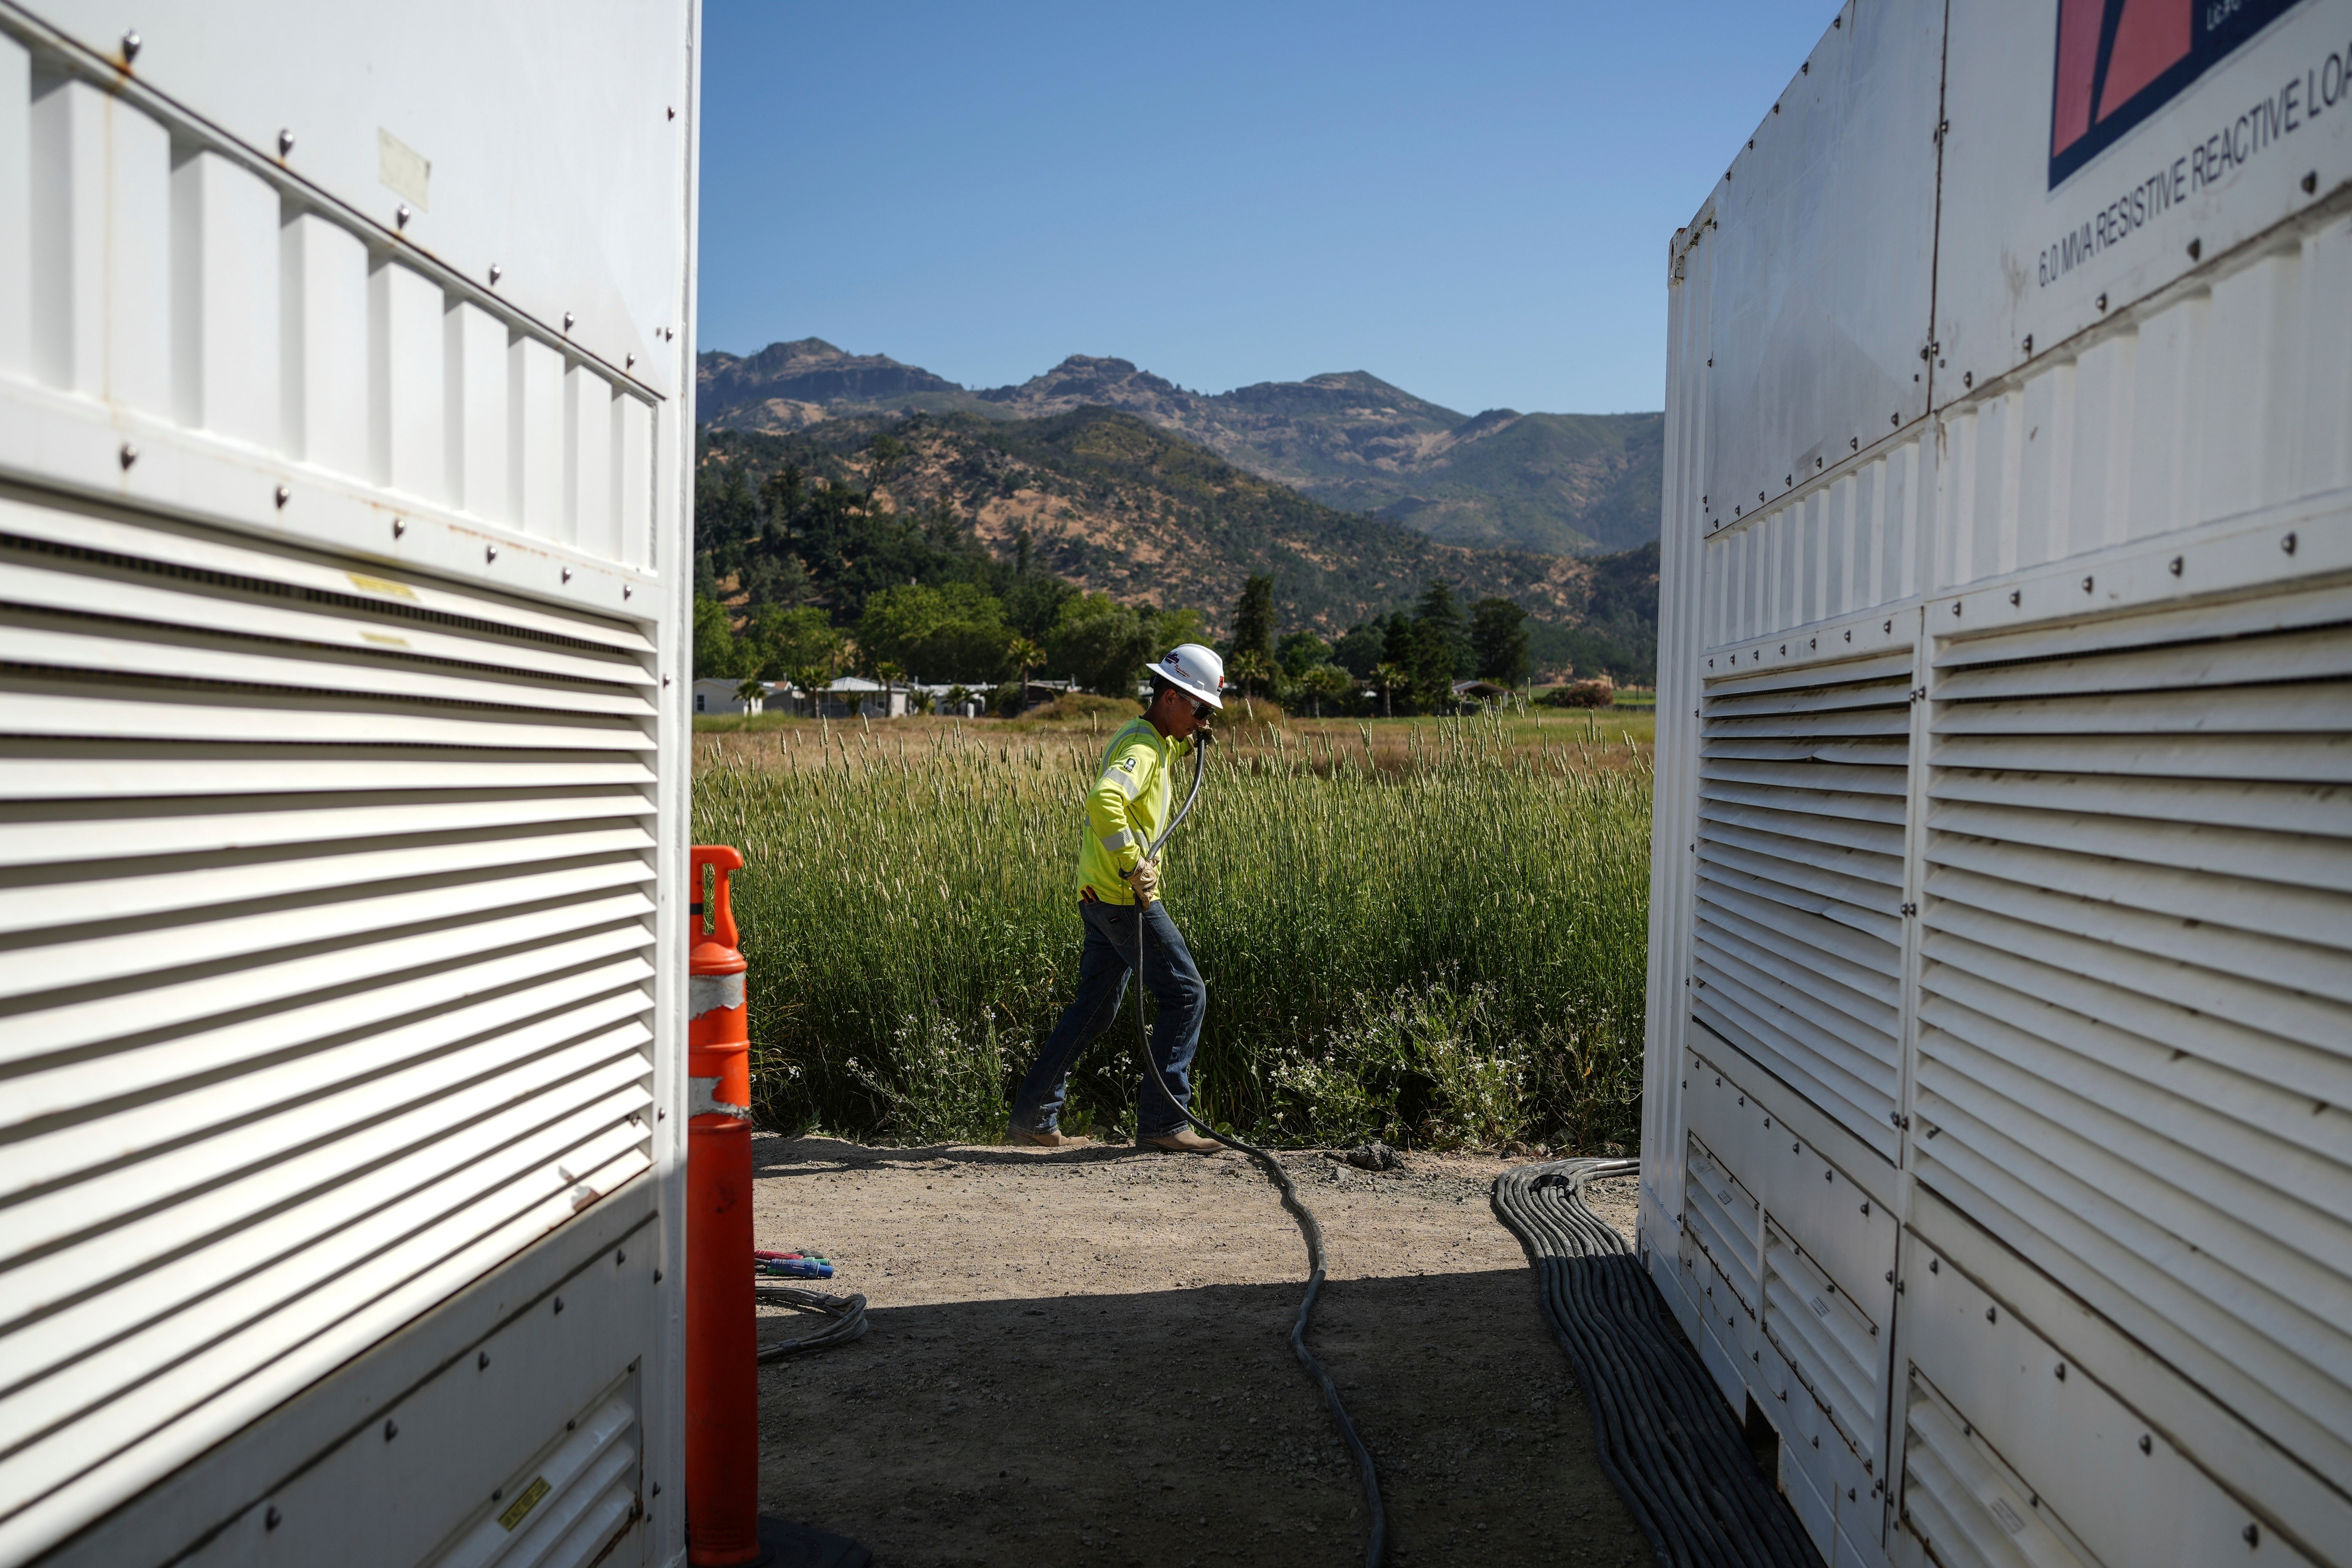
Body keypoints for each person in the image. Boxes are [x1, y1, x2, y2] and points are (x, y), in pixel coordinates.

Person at [1007, 644, 1227, 1153]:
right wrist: (1133, 864)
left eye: (1208, 712)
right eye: (1199, 708)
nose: (1203, 720)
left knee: (1097, 1007)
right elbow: (1105, 799)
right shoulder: (1144, 747)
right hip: (1121, 897)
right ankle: (1164, 1122)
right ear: (1170, 698)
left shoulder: (1148, 738)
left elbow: (1147, 764)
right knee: (1186, 993)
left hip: (1098, 892)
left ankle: (1034, 1117)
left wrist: (1189, 740)